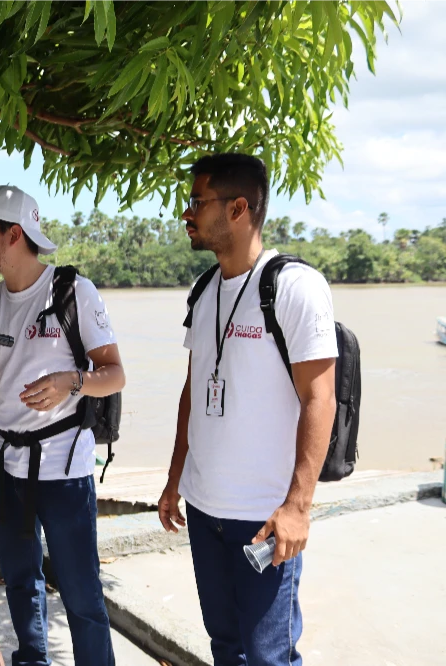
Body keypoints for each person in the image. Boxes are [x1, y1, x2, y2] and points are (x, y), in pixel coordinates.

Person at [158, 153, 337, 665]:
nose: (186, 214)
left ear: (238, 208)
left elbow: (319, 397)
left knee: (267, 655)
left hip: (262, 517)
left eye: (197, 202)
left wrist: (298, 507)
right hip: (205, 509)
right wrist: (176, 479)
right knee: (225, 646)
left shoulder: (294, 287)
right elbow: (193, 390)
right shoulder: (205, 289)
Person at [0, 186, 126, 666]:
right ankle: (32, 659)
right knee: (21, 582)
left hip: (64, 471)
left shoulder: (72, 290)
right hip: (6, 466)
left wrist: (72, 380)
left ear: (13, 234)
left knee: (81, 591)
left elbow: (114, 374)